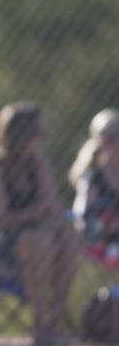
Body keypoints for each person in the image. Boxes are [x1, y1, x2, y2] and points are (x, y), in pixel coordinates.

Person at [0, 102, 79, 346]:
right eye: (36, 132)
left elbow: (53, 208)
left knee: (69, 239)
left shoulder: (35, 161)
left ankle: (54, 323)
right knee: (39, 241)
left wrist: (42, 165)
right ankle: (38, 325)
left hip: (33, 237)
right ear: (19, 134)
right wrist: (38, 212)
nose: (41, 138)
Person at [69, 108, 119, 269]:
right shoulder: (92, 176)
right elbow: (82, 215)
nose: (112, 144)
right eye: (107, 138)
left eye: (115, 137)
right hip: (103, 240)